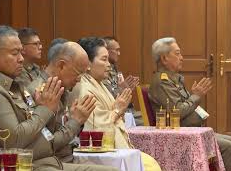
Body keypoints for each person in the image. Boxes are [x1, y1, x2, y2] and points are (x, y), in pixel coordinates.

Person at [0, 25, 65, 170]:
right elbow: (14, 140)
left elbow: (44, 132)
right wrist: (44, 109)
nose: (21, 59)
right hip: (28, 166)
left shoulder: (13, 84)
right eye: (15, 53)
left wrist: (46, 109)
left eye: (21, 53)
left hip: (47, 161)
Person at [148, 37, 231, 171]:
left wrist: (194, 97)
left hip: (193, 131)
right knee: (229, 147)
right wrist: (196, 96)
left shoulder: (174, 79)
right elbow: (178, 111)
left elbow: (186, 106)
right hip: (180, 135)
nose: (182, 57)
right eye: (177, 53)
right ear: (164, 59)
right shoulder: (162, 82)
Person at [69, 37, 162, 171]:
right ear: (87, 63)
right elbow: (96, 128)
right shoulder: (84, 88)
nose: (109, 65)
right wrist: (117, 110)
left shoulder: (98, 84)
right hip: (101, 155)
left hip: (114, 150)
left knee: (150, 163)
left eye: (108, 59)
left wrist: (119, 111)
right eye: (103, 59)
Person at [28, 41, 118, 171]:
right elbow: (47, 143)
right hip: (47, 164)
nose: (80, 79)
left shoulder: (62, 89)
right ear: (62, 65)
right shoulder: (39, 93)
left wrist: (75, 120)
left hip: (65, 158)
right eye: (78, 73)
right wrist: (75, 121)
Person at [103, 36, 142, 126]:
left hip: (125, 110)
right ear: (107, 51)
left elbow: (120, 90)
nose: (119, 53)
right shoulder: (101, 72)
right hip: (113, 114)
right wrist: (121, 90)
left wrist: (126, 90)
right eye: (116, 50)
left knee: (147, 117)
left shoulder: (114, 69)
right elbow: (108, 96)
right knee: (147, 121)